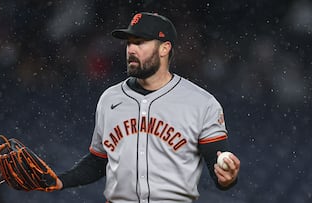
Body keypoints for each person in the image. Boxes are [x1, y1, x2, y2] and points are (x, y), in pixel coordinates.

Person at [55, 12, 240, 202]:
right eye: (129, 43)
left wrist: (228, 178)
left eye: (140, 42)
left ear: (164, 48)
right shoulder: (110, 98)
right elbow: (99, 161)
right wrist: (60, 181)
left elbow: (218, 170)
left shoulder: (201, 103)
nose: (131, 49)